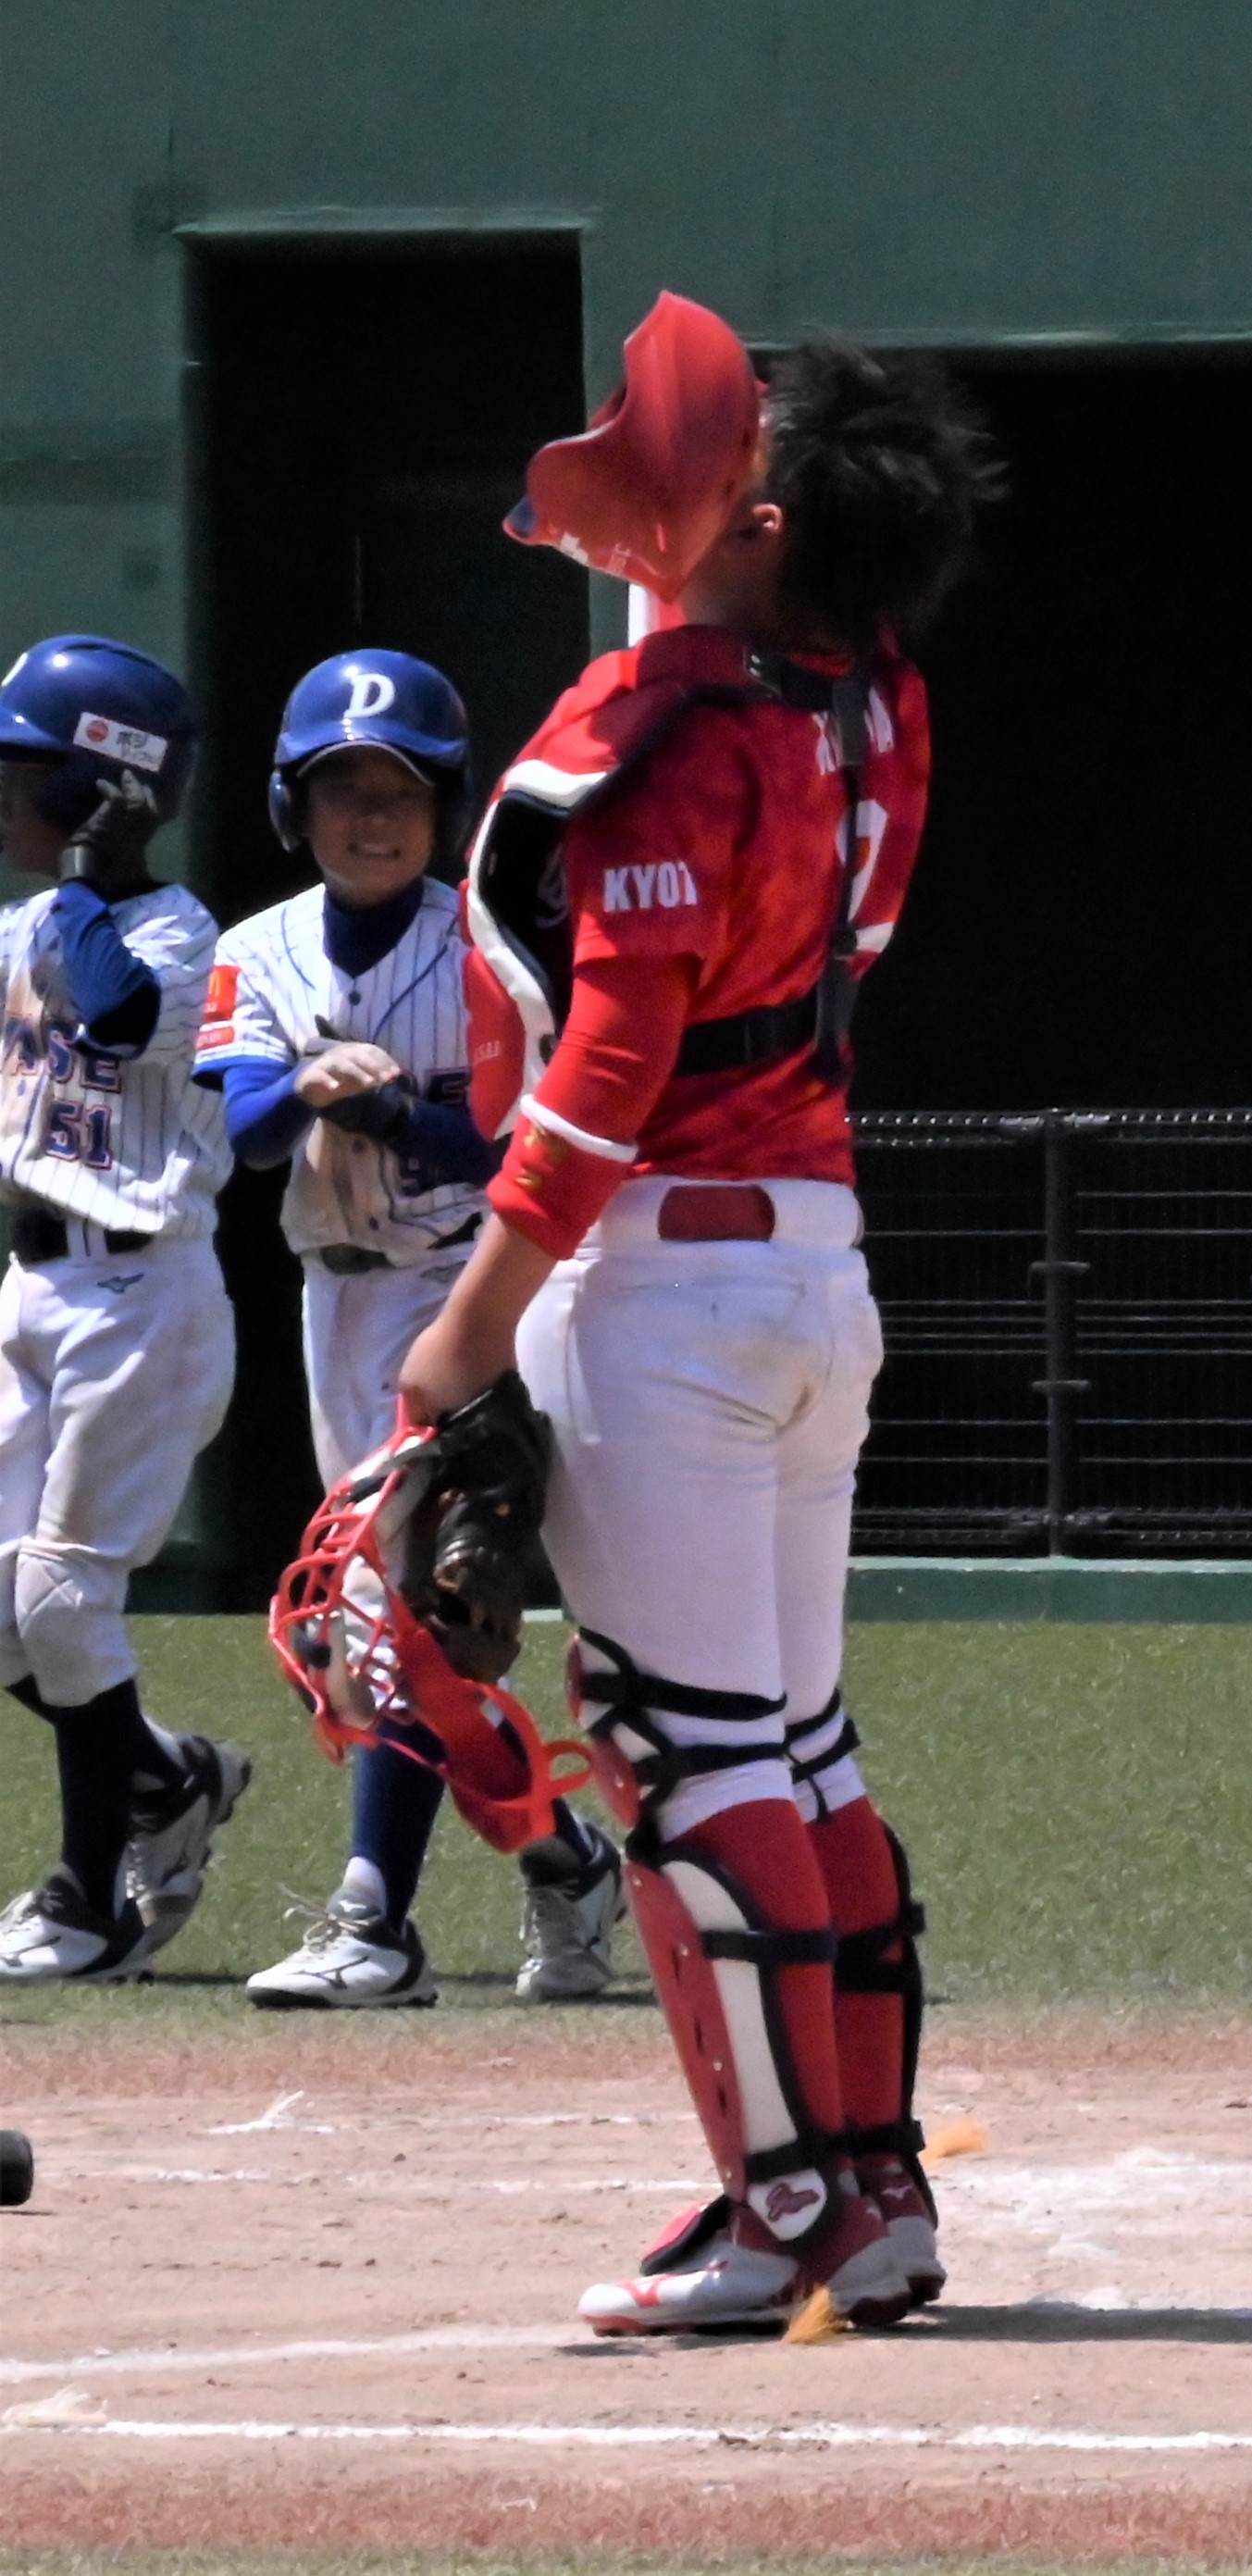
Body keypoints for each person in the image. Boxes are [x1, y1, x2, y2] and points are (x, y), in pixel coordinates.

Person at [397, 293, 993, 2331]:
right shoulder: (872, 697)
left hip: (658, 1271)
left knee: (685, 1751)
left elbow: (613, 1059)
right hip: (808, 1256)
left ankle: (783, 2202)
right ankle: (871, 2188)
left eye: (730, 454)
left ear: (759, 521)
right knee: (793, 1747)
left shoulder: (658, 737)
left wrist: (468, 1319)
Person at [210, 650, 626, 2010]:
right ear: (296, 806)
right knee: (385, 1640)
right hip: (336, 1294)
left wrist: (391, 1111)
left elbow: (512, 1147)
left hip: (466, 1294)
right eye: (342, 791)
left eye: (398, 790)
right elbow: (242, 1127)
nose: (371, 816)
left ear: (446, 806)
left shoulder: (485, 949)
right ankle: (564, 1859)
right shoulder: (252, 947)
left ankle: (372, 1918)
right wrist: (317, 1089)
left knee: (411, 1618)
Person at [0, 637, 256, 1987]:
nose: (4, 794)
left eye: (28, 771)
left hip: (141, 1289)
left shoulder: (178, 932)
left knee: (59, 1592)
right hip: (33, 1281)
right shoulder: (21, 929)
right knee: (4, 1602)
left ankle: (87, 1906)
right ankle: (168, 1777)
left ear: (106, 787)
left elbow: (110, 1018)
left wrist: (95, 865)